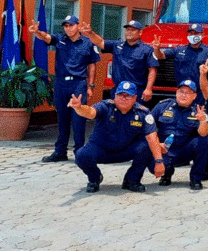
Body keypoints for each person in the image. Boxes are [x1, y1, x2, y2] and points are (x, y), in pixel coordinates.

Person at [28, 16, 100, 162]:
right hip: (61, 84)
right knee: (62, 119)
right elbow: (46, 37)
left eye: (71, 25)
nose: (68, 28)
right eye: (65, 26)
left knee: (78, 120)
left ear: (78, 26)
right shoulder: (60, 39)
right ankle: (60, 152)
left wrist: (91, 86)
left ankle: (80, 153)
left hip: (78, 84)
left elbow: (92, 65)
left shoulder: (88, 43)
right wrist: (37, 32)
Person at [72, 81, 165, 193]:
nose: (123, 98)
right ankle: (94, 178)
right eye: (120, 95)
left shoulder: (143, 113)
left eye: (128, 96)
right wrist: (79, 108)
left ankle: (131, 180)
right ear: (115, 95)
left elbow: (152, 137)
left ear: (135, 98)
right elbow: (91, 112)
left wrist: (159, 161)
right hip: (101, 150)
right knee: (81, 155)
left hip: (124, 151)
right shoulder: (106, 106)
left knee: (145, 146)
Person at [148, 80, 208, 190]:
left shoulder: (197, 111)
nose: (183, 95)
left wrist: (202, 121)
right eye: (181, 91)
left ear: (194, 96)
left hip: (185, 149)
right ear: (176, 93)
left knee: (205, 141)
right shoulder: (162, 106)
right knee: (152, 163)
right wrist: (157, 145)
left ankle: (196, 178)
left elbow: (203, 133)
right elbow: (147, 128)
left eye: (188, 93)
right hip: (165, 150)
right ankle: (166, 175)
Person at [80, 20, 158, 103]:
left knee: (136, 115)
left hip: (136, 91)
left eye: (133, 30)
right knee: (115, 114)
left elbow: (152, 70)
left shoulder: (147, 49)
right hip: (118, 90)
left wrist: (148, 89)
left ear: (140, 32)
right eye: (128, 30)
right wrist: (90, 33)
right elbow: (100, 42)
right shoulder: (117, 45)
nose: (129, 32)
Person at [152, 23, 208, 104]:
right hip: (182, 91)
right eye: (191, 33)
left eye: (196, 33)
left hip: (199, 93)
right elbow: (161, 56)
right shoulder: (179, 50)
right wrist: (157, 49)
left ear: (202, 35)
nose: (193, 35)